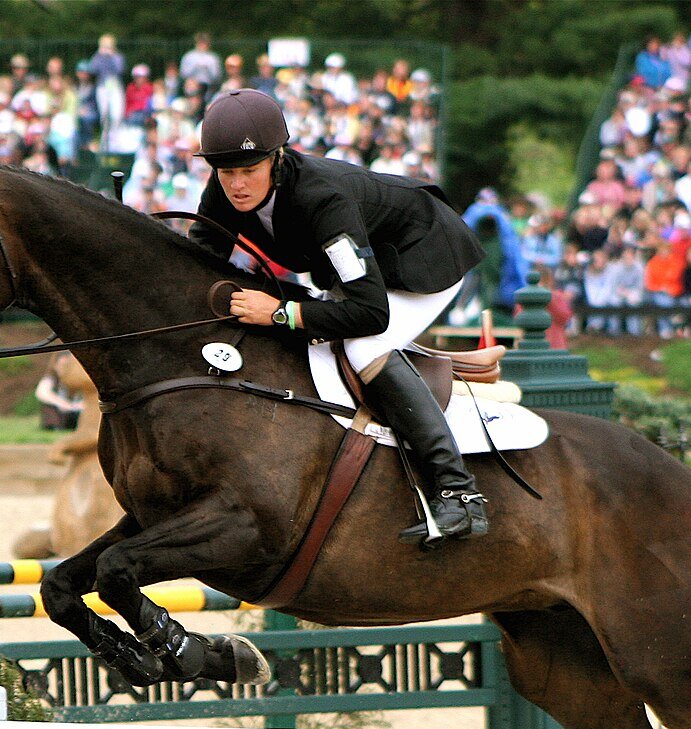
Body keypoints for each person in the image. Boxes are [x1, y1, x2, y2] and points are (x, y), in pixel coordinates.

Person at [188, 89, 488, 546]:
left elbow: (369, 312)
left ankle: (458, 493)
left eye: (249, 170)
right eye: (226, 173)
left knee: (363, 344)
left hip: (424, 257)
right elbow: (197, 263)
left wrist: (282, 315)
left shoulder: (321, 198)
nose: (237, 185)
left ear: (278, 158)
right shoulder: (225, 189)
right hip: (368, 266)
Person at [35, 352, 83, 430]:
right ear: (55, 366)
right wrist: (62, 404)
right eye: (61, 365)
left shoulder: (77, 380)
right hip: (58, 413)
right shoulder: (51, 379)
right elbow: (42, 393)